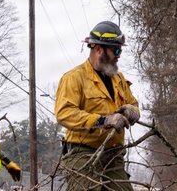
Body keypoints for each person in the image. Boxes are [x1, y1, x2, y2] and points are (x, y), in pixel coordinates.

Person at [55, 21, 140, 191]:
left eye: (120, 51)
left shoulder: (118, 79)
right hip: (83, 153)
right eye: (116, 50)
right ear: (99, 49)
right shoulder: (74, 78)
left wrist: (133, 111)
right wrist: (102, 121)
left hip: (113, 155)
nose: (118, 55)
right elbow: (64, 113)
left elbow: (133, 103)